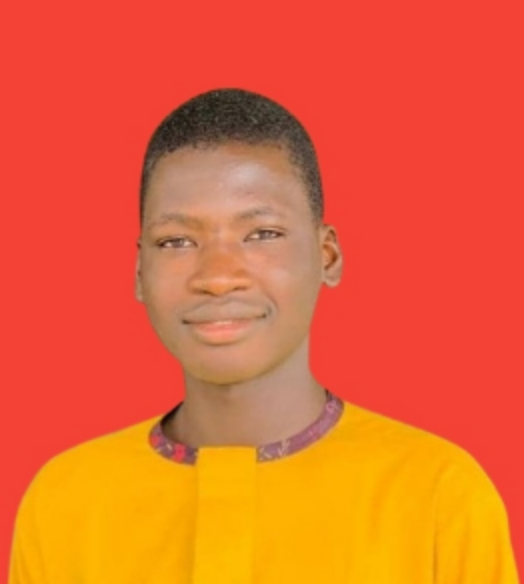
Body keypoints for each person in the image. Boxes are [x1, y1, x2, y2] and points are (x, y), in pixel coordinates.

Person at [9, 88, 519, 584]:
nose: (218, 276)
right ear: (140, 271)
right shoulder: (66, 501)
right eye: (177, 241)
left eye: (262, 234)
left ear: (327, 256)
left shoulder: (437, 495)